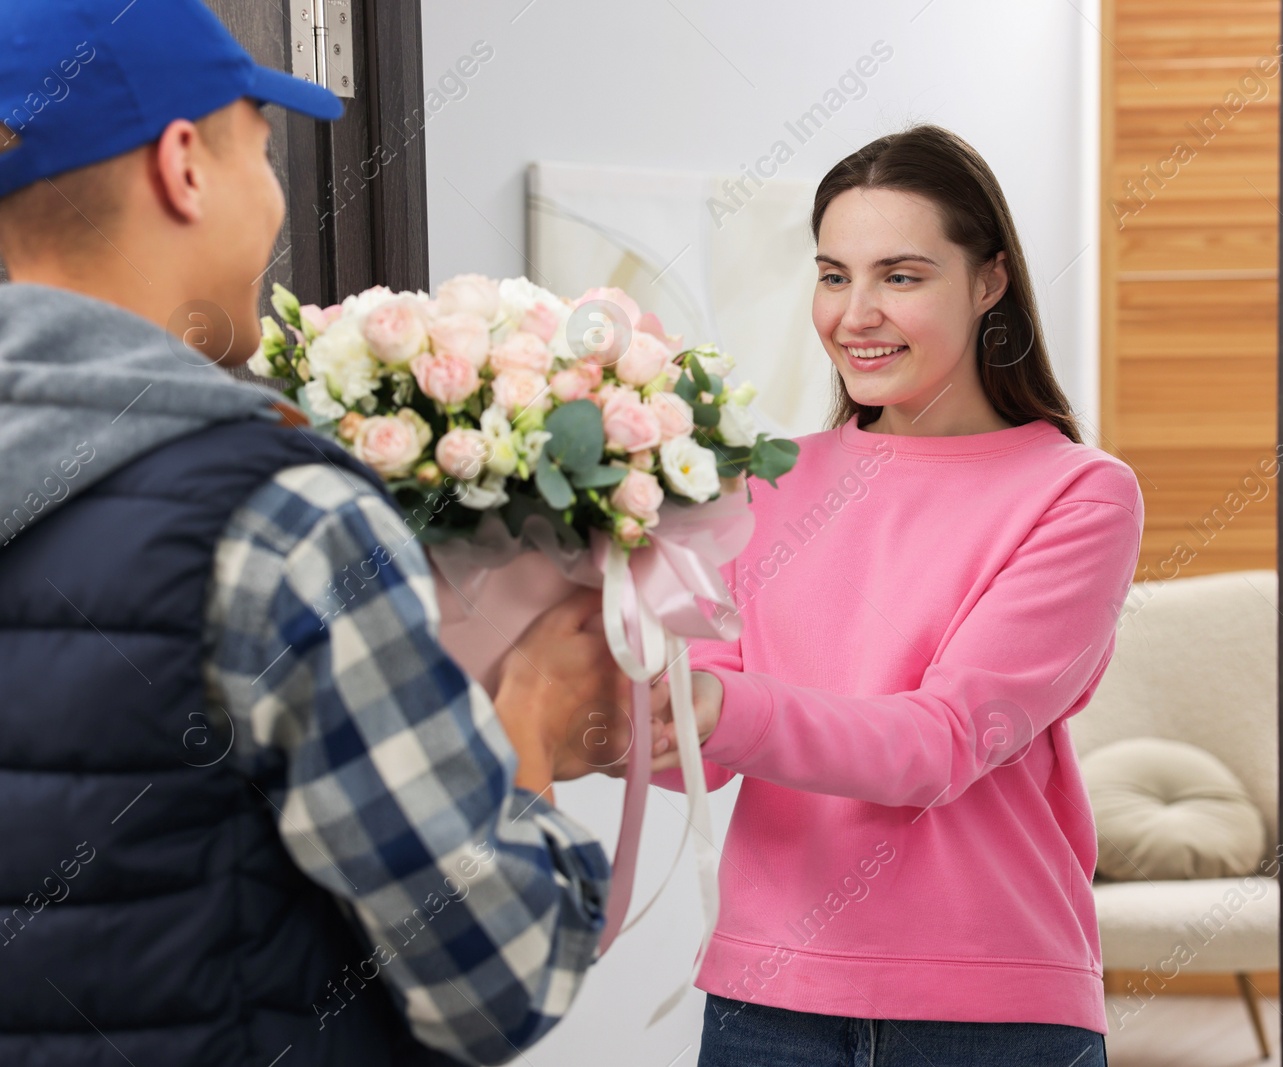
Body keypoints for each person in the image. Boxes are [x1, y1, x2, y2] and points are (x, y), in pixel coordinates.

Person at [0, 2, 624, 1064]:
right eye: (265, 150)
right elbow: (499, 978)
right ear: (183, 164)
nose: (279, 202)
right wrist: (527, 721)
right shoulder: (273, 516)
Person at [650, 125, 1143, 1066]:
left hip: (991, 1011)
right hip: (767, 1001)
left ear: (988, 280)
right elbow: (694, 748)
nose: (855, 313)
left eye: (901, 276)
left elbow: (944, 741)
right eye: (834, 275)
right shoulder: (768, 481)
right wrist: (602, 704)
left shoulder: (1078, 493)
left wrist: (715, 706)